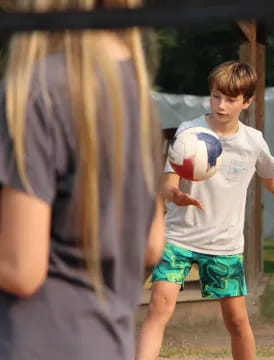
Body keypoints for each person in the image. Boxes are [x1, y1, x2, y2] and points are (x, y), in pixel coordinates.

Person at [0, 1, 165, 360]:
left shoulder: (38, 91)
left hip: (35, 343)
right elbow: (153, 244)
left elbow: (21, 267)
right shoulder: (135, 92)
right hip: (110, 343)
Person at [135, 61, 274, 360]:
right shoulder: (189, 132)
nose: (221, 105)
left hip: (224, 246)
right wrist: (175, 194)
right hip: (179, 239)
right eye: (216, 96)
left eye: (231, 99)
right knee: (158, 310)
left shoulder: (252, 142)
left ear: (247, 102)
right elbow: (168, 182)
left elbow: (273, 181)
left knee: (236, 321)